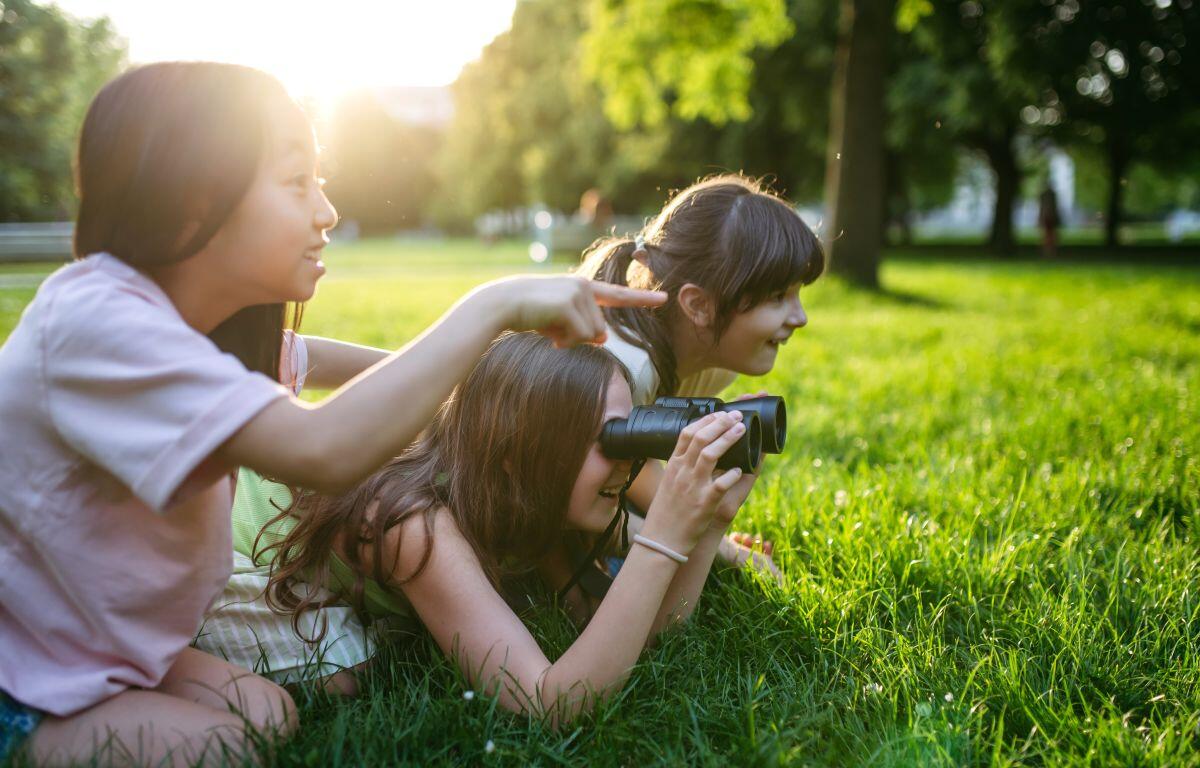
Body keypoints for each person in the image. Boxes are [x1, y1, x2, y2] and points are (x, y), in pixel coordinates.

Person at [0, 62, 664, 766]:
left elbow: (306, 354)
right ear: (194, 204)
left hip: (94, 644)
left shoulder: (196, 334)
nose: (327, 212)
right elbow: (323, 450)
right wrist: (492, 305)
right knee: (226, 747)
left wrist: (491, 383)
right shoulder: (99, 327)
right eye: (296, 184)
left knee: (267, 714)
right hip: (18, 650)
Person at [200, 333, 754, 722]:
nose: (626, 465)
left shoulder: (529, 496)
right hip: (234, 551)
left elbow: (634, 639)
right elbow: (547, 704)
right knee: (344, 676)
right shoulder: (417, 524)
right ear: (517, 453)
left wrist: (704, 531)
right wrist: (663, 537)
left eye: (628, 434)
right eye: (603, 441)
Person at [561, 174, 824, 597]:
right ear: (698, 306)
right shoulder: (624, 369)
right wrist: (721, 549)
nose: (800, 317)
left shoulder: (708, 362)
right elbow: (577, 505)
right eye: (778, 296)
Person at [1038, 184, 1061, 259]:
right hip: (1049, 216)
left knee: (1049, 235)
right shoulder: (1051, 195)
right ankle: (1049, 251)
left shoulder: (1044, 195)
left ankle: (1049, 251)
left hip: (1048, 216)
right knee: (1049, 235)